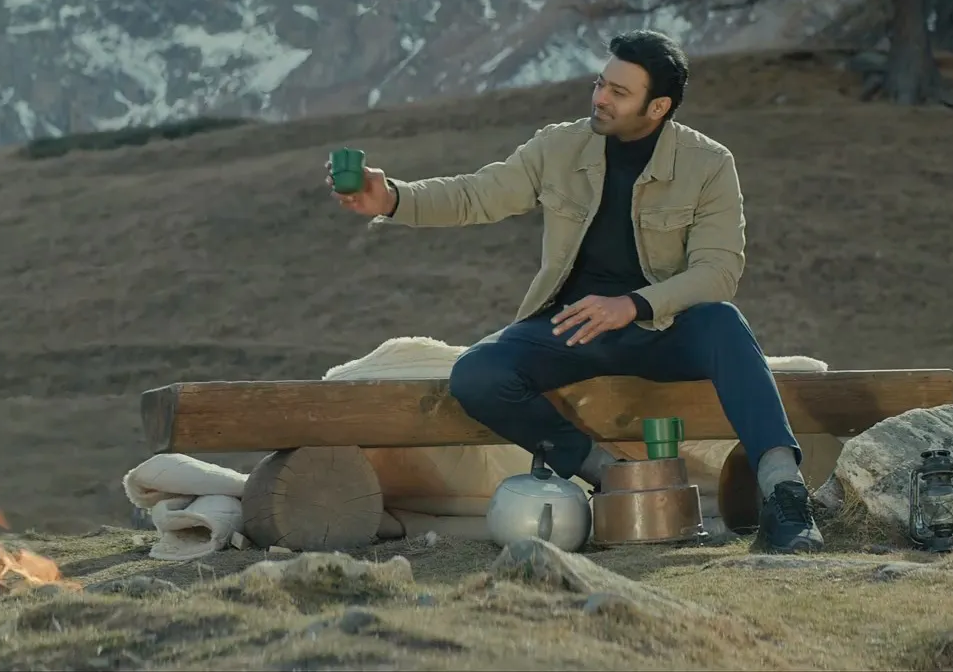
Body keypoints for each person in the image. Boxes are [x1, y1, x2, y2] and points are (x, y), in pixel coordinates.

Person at [327, 30, 822, 554]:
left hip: (663, 328)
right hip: (571, 327)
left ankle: (786, 498)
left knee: (725, 323)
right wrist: (393, 198)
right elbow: (477, 194)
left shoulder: (709, 164)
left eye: (619, 92)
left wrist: (631, 304)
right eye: (600, 83)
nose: (600, 98)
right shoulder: (559, 146)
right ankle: (613, 478)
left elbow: (719, 270)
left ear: (658, 107)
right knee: (477, 375)